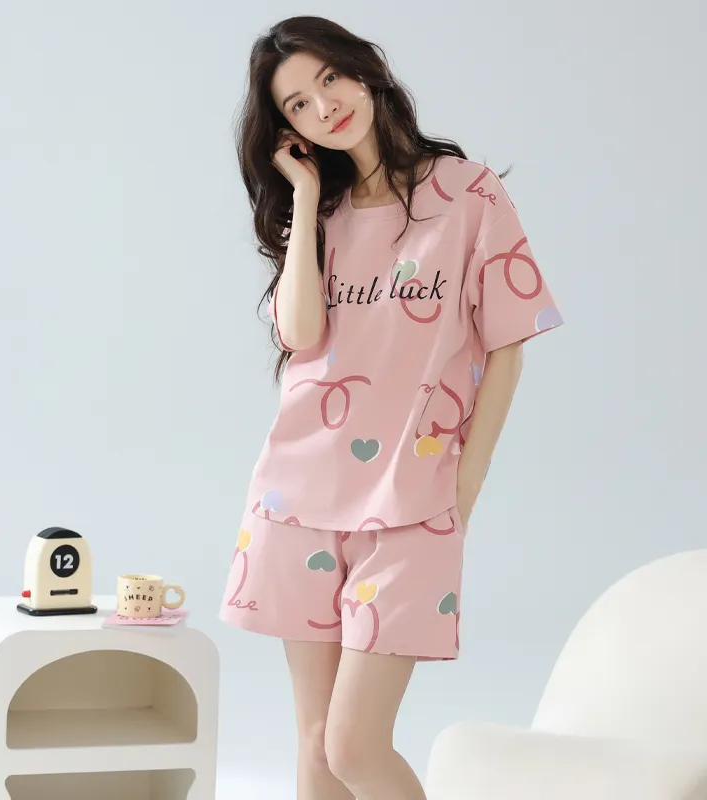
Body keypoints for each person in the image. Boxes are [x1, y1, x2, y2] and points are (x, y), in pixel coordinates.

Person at [219, 14, 564, 800]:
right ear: (289, 129)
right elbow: (300, 334)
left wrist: (464, 489)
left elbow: (507, 347)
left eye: (329, 79)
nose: (324, 107)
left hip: (413, 502)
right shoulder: (321, 214)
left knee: (355, 745)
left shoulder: (468, 193)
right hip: (297, 498)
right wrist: (307, 196)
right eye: (298, 104)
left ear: (364, 68)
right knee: (317, 747)